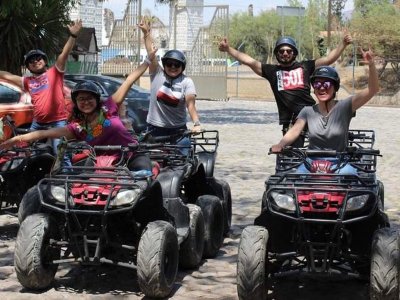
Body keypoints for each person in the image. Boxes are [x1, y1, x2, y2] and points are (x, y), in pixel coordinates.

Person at [0, 47, 159, 173]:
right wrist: (15, 140)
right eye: (81, 99)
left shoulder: (109, 107)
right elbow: (43, 133)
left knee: (143, 179)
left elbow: (129, 80)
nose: (86, 102)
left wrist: (147, 60)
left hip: (132, 156)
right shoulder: (77, 128)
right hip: (103, 165)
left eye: (90, 98)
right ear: (76, 102)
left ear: (97, 100)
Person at [218, 32, 353, 147]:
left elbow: (329, 59)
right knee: (292, 158)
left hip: (312, 114)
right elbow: (249, 61)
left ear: (294, 53)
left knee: (327, 146)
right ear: (277, 53)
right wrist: (228, 49)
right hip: (291, 121)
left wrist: (343, 44)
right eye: (281, 51)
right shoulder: (272, 71)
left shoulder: (305, 66)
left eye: (289, 51)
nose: (285, 54)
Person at [270, 47, 379, 174]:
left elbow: (373, 90)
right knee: (294, 179)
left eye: (326, 85)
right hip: (311, 163)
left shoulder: (345, 106)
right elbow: (294, 130)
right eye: (317, 85)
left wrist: (371, 65)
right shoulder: (307, 111)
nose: (322, 88)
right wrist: (280, 144)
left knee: (352, 179)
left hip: (339, 163)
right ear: (314, 89)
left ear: (335, 88)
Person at [0, 20, 83, 158]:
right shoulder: (27, 81)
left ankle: (66, 176)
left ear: (44, 61)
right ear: (28, 67)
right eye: (31, 61)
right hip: (37, 123)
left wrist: (73, 36)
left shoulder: (54, 73)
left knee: (60, 154)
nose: (35, 61)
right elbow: (7, 76)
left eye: (38, 58)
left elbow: (64, 54)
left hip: (58, 121)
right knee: (25, 151)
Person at [138, 17, 202, 145]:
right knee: (150, 161)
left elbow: (190, 105)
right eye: (169, 64)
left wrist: (197, 124)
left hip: (178, 130)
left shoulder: (187, 82)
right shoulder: (157, 74)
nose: (172, 67)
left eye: (177, 65)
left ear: (182, 67)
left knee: (183, 160)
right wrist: (146, 34)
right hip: (154, 129)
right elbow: (151, 52)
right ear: (165, 64)